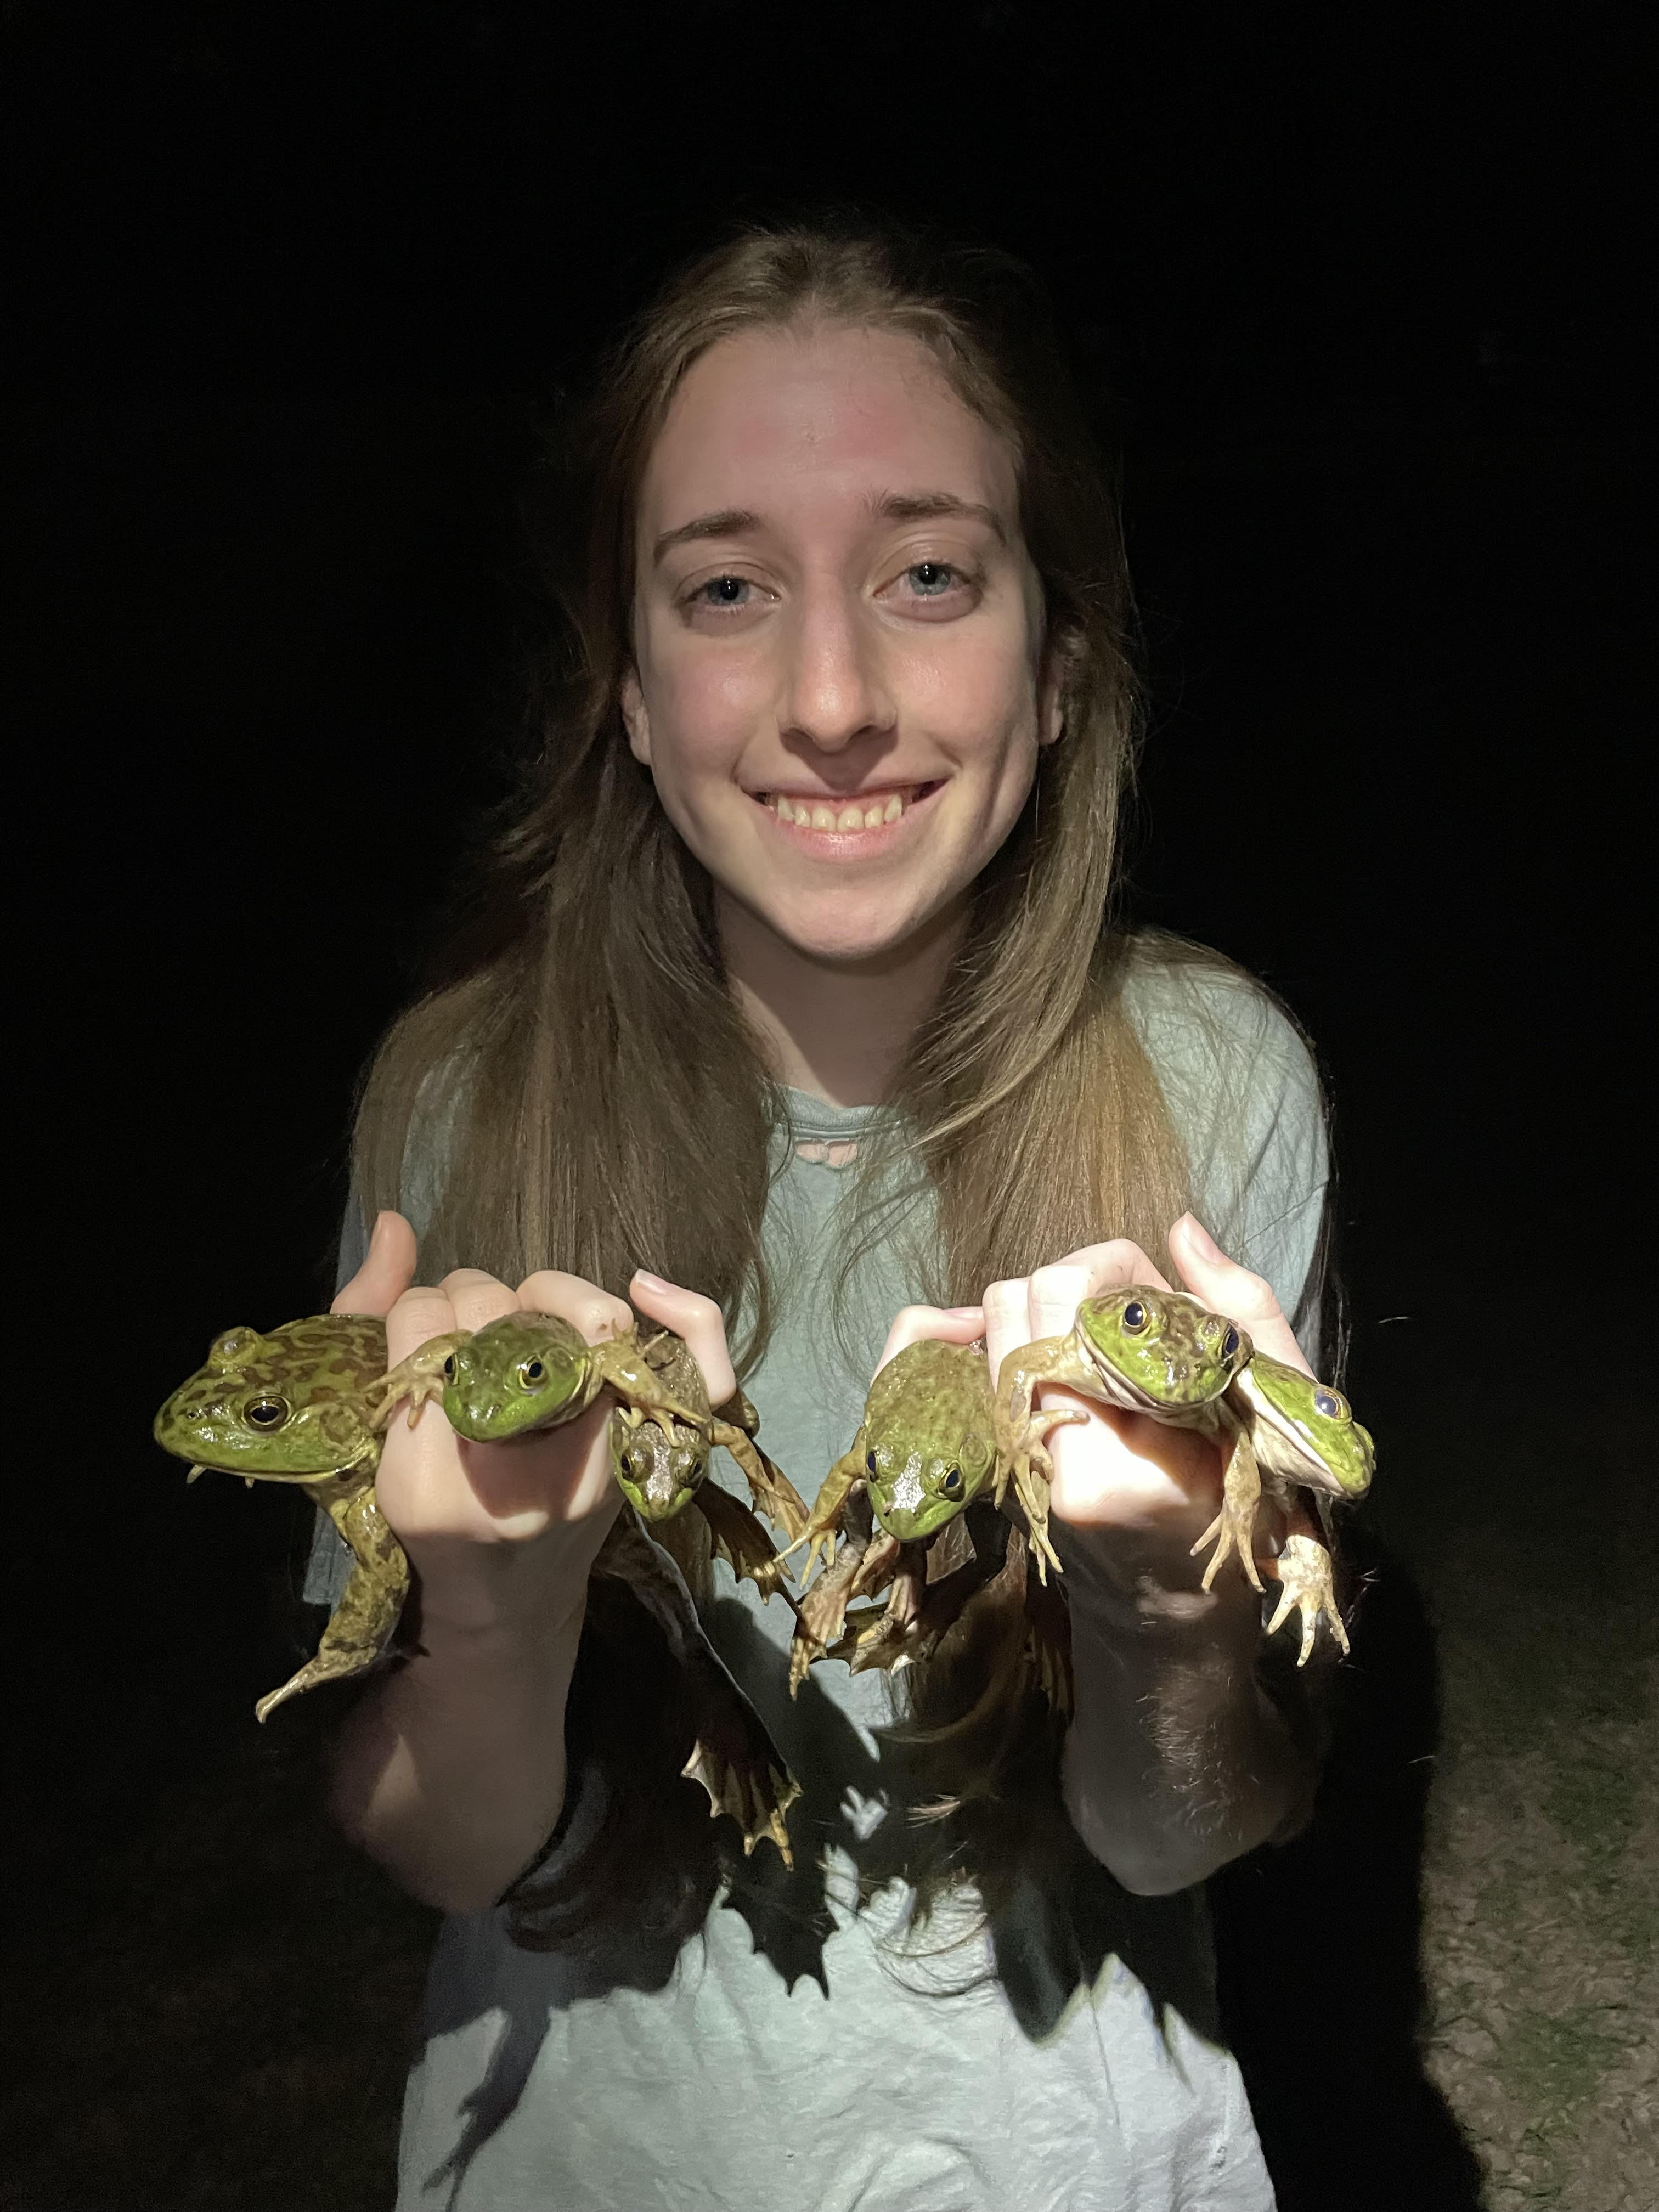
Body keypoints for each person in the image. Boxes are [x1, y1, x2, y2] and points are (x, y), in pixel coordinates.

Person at [313, 221, 1338, 2210]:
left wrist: (1165, 1614)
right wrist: (499, 1621)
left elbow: (1181, 1834)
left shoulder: (1213, 1087)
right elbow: (443, 1847)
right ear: (627, 689)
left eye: (927, 574)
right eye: (728, 588)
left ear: (1059, 662)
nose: (836, 698)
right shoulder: (459, 1101)